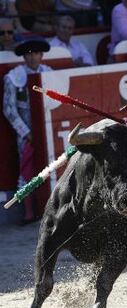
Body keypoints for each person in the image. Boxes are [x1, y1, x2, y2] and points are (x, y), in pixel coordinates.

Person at [2, 37, 52, 224]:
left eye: (35, 54)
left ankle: (50, 210)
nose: (32, 58)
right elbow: (9, 108)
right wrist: (26, 132)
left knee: (51, 167)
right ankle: (29, 213)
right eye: (28, 54)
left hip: (47, 129)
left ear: (41, 55)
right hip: (26, 134)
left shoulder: (49, 73)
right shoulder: (13, 76)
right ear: (24, 57)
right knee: (27, 170)